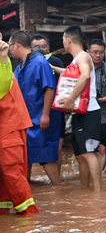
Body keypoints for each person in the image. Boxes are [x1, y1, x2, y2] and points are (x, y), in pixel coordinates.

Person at [54, 26, 102, 192]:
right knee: (81, 155)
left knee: (89, 152)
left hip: (89, 111)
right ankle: (85, 190)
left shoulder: (83, 57)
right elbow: (68, 74)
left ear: (68, 40)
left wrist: (70, 99)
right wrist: (52, 69)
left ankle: (98, 193)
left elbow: (85, 75)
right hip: (80, 113)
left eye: (63, 40)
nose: (63, 43)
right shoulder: (76, 60)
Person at [9, 31, 61, 185]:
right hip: (26, 119)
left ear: (17, 45)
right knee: (26, 155)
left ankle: (58, 188)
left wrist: (45, 114)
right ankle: (27, 188)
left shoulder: (39, 62)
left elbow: (49, 88)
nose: (10, 50)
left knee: (45, 156)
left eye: (10, 46)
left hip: (39, 117)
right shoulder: (20, 67)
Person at [0, 32, 39, 216]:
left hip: (8, 127)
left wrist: (2, 57)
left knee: (11, 172)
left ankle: (29, 219)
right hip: (8, 126)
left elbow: (3, 85)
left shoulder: (3, 64)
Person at [31, 34, 66, 174]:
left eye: (44, 46)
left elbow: (64, 83)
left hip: (56, 110)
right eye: (37, 47)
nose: (41, 49)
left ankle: (56, 180)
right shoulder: (29, 64)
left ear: (49, 47)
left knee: (57, 148)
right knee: (35, 146)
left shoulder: (56, 61)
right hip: (37, 111)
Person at [86, 38, 106, 171]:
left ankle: (98, 176)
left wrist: (102, 100)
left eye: (101, 52)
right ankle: (87, 176)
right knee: (87, 150)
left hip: (102, 116)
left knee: (101, 148)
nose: (98, 55)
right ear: (88, 52)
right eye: (95, 52)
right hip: (85, 116)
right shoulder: (83, 69)